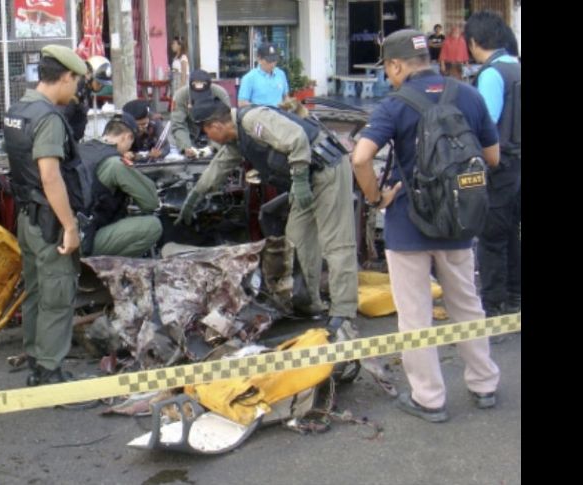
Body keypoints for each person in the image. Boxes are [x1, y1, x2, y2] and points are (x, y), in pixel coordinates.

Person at [351, 29, 501, 422]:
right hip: (458, 220)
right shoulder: (468, 94)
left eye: (388, 68)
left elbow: (360, 158)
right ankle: (484, 384)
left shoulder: (394, 104)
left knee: (415, 314)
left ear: (398, 65)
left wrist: (374, 198)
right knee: (467, 303)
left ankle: (429, 398)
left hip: (408, 224)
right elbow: (493, 156)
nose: (388, 76)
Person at [177, 97, 358, 325]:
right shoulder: (237, 138)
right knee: (296, 241)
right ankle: (308, 303)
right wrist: (195, 196)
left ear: (215, 126)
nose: (209, 140)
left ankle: (343, 310)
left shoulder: (254, 120)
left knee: (336, 242)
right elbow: (220, 165)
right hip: (306, 178)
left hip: (326, 170)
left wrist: (300, 179)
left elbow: (296, 137)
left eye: (206, 134)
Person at [3, 45, 88, 386]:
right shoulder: (48, 118)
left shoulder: (18, 109)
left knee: (37, 292)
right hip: (49, 220)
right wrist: (70, 226)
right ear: (65, 76)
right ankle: (50, 371)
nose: (77, 89)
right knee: (57, 294)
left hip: (27, 216)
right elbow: (50, 176)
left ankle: (37, 361)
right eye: (76, 82)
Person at [465, 11, 521, 318]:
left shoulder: (491, 74)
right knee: (513, 232)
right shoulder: (517, 66)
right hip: (519, 166)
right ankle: (515, 296)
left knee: (491, 239)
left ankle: (494, 304)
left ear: (474, 42)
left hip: (500, 167)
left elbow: (485, 125)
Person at [77, 112, 163, 256]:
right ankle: (109, 270)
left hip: (63, 234)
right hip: (83, 241)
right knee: (153, 226)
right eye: (131, 145)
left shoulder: (82, 148)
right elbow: (151, 203)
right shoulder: (115, 163)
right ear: (127, 137)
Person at [171, 69, 231, 158]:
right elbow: (178, 125)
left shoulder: (220, 94)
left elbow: (227, 124)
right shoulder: (180, 96)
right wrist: (186, 147)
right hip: (191, 132)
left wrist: (213, 147)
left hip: (215, 130)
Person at [63, 55, 112, 141]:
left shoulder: (86, 90)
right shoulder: (76, 91)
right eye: (99, 83)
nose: (101, 86)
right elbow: (64, 117)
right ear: (89, 75)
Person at [237, 43, 289, 108]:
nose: (272, 64)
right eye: (269, 61)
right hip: (260, 115)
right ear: (259, 59)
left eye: (274, 60)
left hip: (280, 114)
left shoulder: (281, 74)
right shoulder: (249, 78)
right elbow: (242, 103)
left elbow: (285, 97)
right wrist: (260, 107)